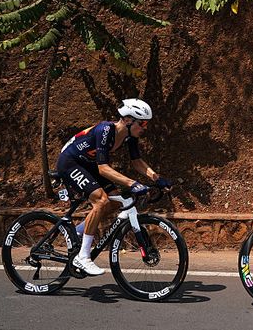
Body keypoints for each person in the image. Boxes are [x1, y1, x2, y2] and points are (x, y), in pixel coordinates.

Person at [56, 98, 169, 276]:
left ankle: (78, 232)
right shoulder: (105, 130)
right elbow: (103, 168)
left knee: (117, 201)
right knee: (100, 200)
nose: (145, 128)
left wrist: (157, 178)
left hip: (88, 164)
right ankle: (83, 257)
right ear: (129, 120)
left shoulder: (129, 137)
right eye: (143, 123)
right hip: (70, 163)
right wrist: (132, 183)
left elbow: (137, 162)